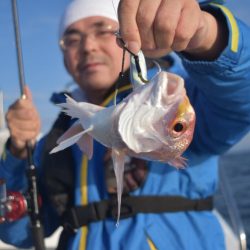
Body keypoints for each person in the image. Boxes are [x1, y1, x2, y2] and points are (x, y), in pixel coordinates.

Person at [1, 0, 250, 249]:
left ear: (128, 35)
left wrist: (207, 36)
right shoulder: (58, 137)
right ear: (64, 58)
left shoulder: (190, 99)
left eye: (103, 30)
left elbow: (242, 97)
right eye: (73, 39)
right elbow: (18, 234)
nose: (88, 46)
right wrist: (18, 153)